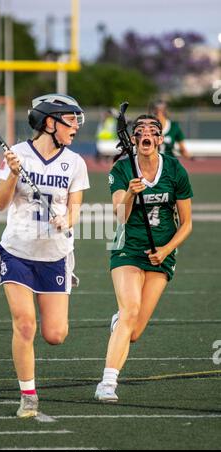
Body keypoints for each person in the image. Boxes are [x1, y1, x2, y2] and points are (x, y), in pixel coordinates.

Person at [0, 93, 90, 418]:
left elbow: (75, 208)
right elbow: (0, 203)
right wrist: (14, 174)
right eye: (70, 119)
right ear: (50, 122)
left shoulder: (75, 162)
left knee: (55, 334)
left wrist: (67, 219)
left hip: (55, 255)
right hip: (17, 251)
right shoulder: (16, 154)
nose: (76, 125)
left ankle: (30, 386)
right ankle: (28, 395)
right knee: (24, 324)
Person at [95, 113, 193, 402]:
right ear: (134, 139)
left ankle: (121, 323)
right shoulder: (122, 169)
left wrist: (165, 250)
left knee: (134, 331)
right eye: (140, 130)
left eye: (153, 130)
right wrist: (129, 194)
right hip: (127, 247)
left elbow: (187, 223)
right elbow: (120, 216)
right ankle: (108, 383)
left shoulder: (175, 170)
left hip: (161, 253)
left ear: (160, 139)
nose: (146, 134)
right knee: (130, 310)